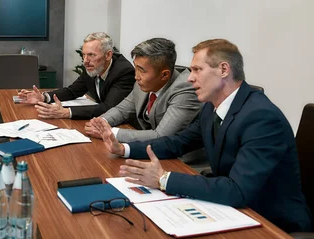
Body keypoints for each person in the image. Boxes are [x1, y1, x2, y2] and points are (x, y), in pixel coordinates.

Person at [96, 39, 311, 233]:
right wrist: (124, 149)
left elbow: (238, 190)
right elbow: (178, 143)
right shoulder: (211, 106)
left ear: (224, 70)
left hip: (272, 222)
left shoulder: (261, 117)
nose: (189, 78)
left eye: (197, 70)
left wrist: (164, 179)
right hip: (231, 210)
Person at [86, 38, 201, 143]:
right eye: (135, 67)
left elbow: (161, 136)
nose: (136, 76)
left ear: (164, 75)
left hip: (181, 161)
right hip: (150, 150)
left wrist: (110, 133)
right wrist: (101, 122)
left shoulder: (185, 89)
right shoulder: (144, 82)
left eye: (141, 70)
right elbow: (122, 110)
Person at [17, 32, 135, 120]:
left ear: (108, 55)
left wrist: (66, 112)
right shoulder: (93, 66)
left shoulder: (124, 71)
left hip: (124, 124)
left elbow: (108, 108)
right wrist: (44, 97)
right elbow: (73, 91)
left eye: (91, 55)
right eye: (84, 55)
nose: (85, 61)